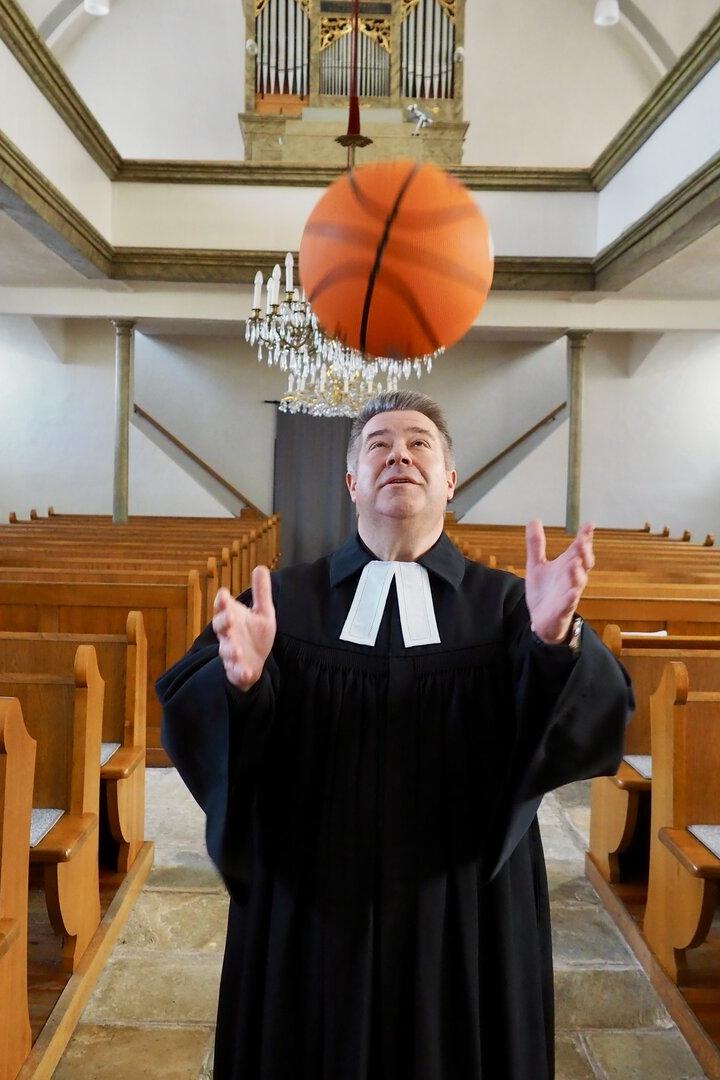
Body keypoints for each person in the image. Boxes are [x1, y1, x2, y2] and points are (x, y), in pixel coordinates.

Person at [157, 390, 633, 1080]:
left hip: (462, 897)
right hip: (314, 888)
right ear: (352, 481)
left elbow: (587, 718)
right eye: (378, 445)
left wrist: (555, 642)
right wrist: (241, 683)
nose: (398, 454)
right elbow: (198, 724)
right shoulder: (284, 602)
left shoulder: (508, 605)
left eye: (418, 444)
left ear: (449, 478)